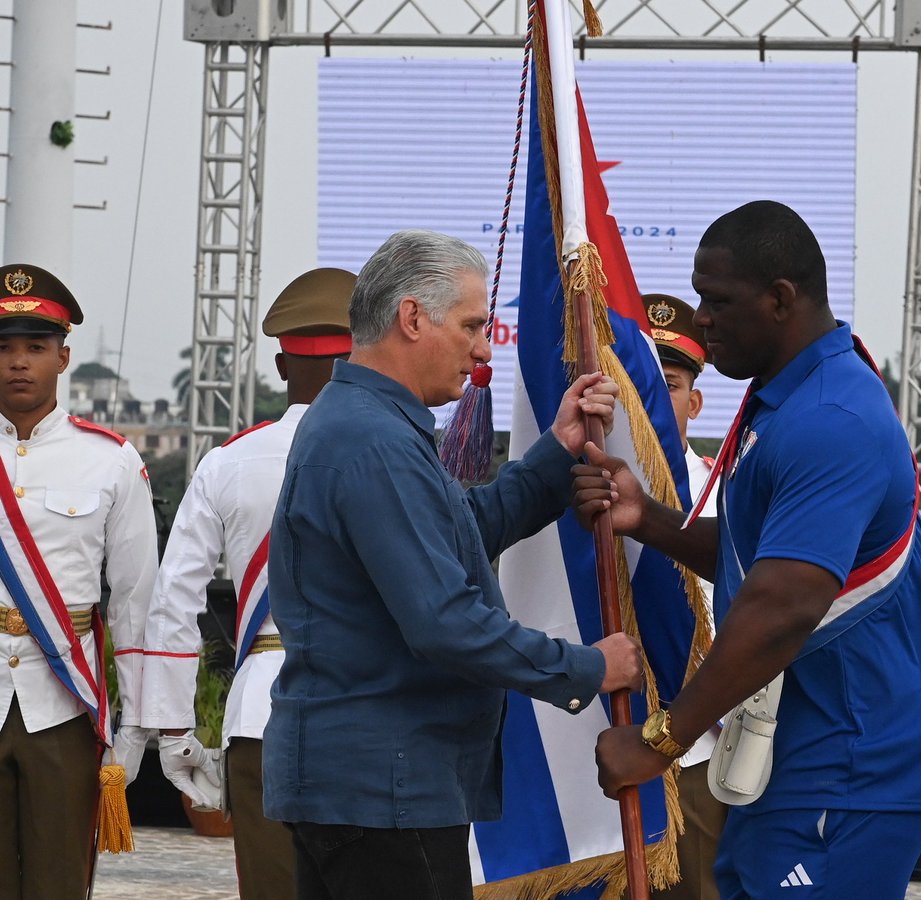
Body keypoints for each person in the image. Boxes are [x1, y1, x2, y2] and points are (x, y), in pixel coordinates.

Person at [575, 202, 921, 899]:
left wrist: (658, 741)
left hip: (854, 762)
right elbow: (760, 558)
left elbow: (781, 606)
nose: (701, 319)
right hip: (801, 755)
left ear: (781, 299)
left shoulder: (829, 418)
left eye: (717, 301)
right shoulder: (793, 396)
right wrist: (651, 520)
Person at [260, 229, 644, 900]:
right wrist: (586, 666)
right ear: (412, 318)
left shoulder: (368, 425)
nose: (481, 348)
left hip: (371, 784)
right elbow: (445, 621)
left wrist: (557, 450)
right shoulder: (373, 441)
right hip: (385, 789)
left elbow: (465, 531)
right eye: (470, 325)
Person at [141, 268, 355, 900]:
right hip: (370, 716)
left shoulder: (226, 462)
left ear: (282, 365)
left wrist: (176, 731)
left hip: (262, 716)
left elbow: (174, 599)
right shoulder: (405, 454)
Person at [0, 263, 158, 898]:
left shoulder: (111, 461)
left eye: (35, 348)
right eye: (5, 348)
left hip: (61, 702)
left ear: (63, 358)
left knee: (58, 882)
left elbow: (135, 603)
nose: (18, 363)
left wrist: (135, 729)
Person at [643, 291, 725, 900]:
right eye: (635, 378)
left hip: (696, 752)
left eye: (667, 383)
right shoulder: (563, 491)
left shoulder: (728, 494)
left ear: (694, 401)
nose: (648, 397)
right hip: (585, 745)